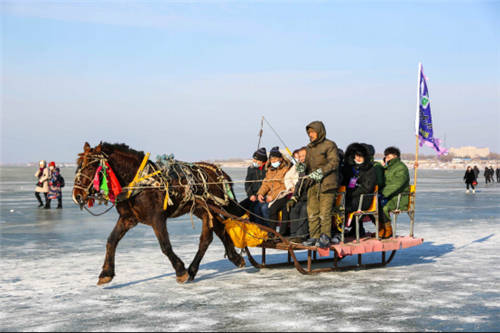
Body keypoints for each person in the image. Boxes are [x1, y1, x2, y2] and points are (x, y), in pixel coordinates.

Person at [301, 121, 340, 247]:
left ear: (319, 131)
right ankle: (314, 236)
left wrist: (319, 173)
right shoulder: (309, 147)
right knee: (312, 212)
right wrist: (301, 168)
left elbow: (334, 162)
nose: (310, 135)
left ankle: (325, 236)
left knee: (324, 212)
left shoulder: (329, 145)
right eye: (309, 133)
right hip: (312, 184)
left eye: (312, 132)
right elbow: (307, 165)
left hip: (327, 184)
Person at [342, 143, 377, 238]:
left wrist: (351, 193)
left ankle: (340, 231)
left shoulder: (370, 170)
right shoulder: (352, 168)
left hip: (364, 199)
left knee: (345, 207)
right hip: (352, 196)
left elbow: (366, 188)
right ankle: (357, 230)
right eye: (357, 155)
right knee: (338, 205)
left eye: (360, 156)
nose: (358, 158)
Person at [256, 146, 292, 230]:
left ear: (281, 159)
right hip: (270, 195)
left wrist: (273, 196)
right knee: (257, 206)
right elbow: (266, 183)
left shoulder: (286, 169)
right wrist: (260, 193)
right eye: (272, 160)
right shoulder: (270, 170)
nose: (274, 161)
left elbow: (284, 186)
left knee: (265, 208)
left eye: (275, 159)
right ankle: (262, 229)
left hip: (281, 195)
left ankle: (271, 230)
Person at [379, 146, 410, 239]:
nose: (387, 158)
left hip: (398, 197)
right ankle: (381, 228)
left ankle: (388, 230)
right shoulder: (387, 168)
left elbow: (396, 184)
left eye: (389, 156)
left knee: (382, 207)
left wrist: (382, 193)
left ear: (395, 156)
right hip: (389, 196)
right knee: (373, 205)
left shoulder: (401, 168)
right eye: (386, 156)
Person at [284, 147, 311, 241]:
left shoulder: (314, 166)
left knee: (304, 209)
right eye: (299, 156)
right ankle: (294, 234)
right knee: (294, 208)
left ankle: (301, 235)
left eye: (303, 156)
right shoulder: (301, 168)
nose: (301, 158)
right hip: (302, 196)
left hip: (313, 197)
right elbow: (299, 183)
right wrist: (294, 197)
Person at [243, 147, 268, 224]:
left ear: (262, 161)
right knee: (240, 207)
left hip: (264, 195)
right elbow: (247, 183)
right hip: (253, 195)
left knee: (257, 208)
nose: (254, 161)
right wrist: (250, 195)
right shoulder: (251, 169)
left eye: (256, 160)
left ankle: (262, 227)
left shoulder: (268, 169)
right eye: (253, 159)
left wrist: (262, 194)